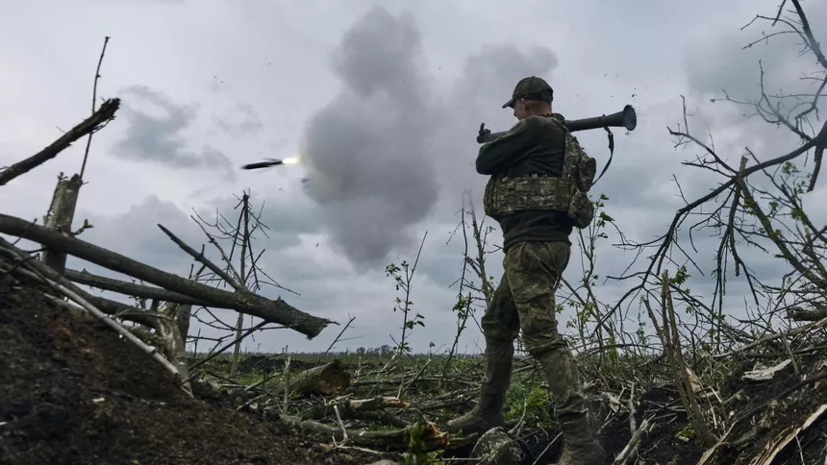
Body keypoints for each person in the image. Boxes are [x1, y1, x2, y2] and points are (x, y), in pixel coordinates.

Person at [446, 77, 605, 465]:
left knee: (543, 339)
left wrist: (506, 138)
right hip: (540, 244)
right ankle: (488, 412)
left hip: (531, 247)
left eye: (514, 107)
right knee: (498, 323)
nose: (514, 113)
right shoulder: (560, 136)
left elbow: (485, 162)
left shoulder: (535, 128)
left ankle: (582, 442)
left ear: (523, 102)